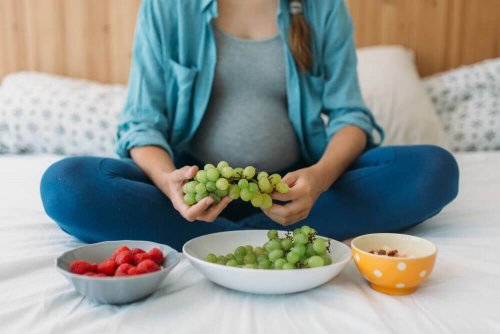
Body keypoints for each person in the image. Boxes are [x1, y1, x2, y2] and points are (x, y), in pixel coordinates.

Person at [40, 0, 459, 251]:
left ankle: (223, 240)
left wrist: (318, 178)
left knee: (434, 169)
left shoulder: (321, 7)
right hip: (190, 192)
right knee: (66, 184)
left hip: (296, 192)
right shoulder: (167, 5)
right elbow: (141, 123)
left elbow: (351, 117)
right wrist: (169, 182)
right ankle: (250, 237)